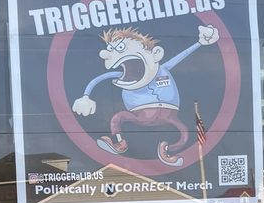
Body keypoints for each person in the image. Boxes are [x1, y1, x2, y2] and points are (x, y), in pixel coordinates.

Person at [71, 24, 219, 166]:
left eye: (121, 48)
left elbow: (182, 56)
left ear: (156, 54)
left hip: (169, 112)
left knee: (184, 134)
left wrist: (200, 42)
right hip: (140, 114)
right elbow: (98, 79)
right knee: (117, 118)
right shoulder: (122, 75)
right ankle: (120, 143)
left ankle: (166, 150)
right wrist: (85, 97)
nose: (105, 54)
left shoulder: (162, 69)